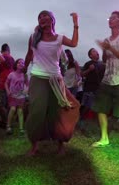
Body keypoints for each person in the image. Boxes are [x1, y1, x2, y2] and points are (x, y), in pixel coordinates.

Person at [24, 10, 80, 156]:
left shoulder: (59, 38)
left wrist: (75, 24)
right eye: (40, 17)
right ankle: (34, 145)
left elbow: (74, 43)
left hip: (56, 79)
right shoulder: (34, 38)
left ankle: (60, 144)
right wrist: (23, 68)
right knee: (37, 111)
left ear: (52, 20)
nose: (42, 18)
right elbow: (29, 54)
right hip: (37, 77)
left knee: (59, 111)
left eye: (45, 16)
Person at [91, 11, 119, 151]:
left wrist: (110, 48)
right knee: (101, 109)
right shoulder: (107, 39)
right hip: (107, 79)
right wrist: (104, 49)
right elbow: (104, 59)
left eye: (114, 18)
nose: (110, 20)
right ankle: (104, 138)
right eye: (110, 18)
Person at [79, 48, 105, 130]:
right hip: (89, 88)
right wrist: (89, 70)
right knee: (87, 106)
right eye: (94, 51)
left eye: (96, 51)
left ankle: (99, 124)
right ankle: (81, 121)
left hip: (99, 88)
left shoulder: (101, 64)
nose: (96, 52)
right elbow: (82, 74)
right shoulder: (88, 63)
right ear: (90, 55)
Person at [0, 43, 15, 128]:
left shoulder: (9, 58)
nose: (5, 54)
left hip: (4, 85)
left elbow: (2, 62)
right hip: (6, 84)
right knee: (4, 105)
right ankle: (5, 121)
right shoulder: (8, 58)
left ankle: (5, 122)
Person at [5, 58, 28, 135]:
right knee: (12, 109)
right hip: (12, 95)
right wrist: (8, 91)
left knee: (20, 111)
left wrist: (26, 91)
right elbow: (6, 83)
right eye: (19, 62)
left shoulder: (25, 75)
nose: (21, 64)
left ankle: (21, 128)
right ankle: (8, 126)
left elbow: (28, 85)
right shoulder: (11, 74)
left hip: (21, 96)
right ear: (16, 64)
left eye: (23, 63)